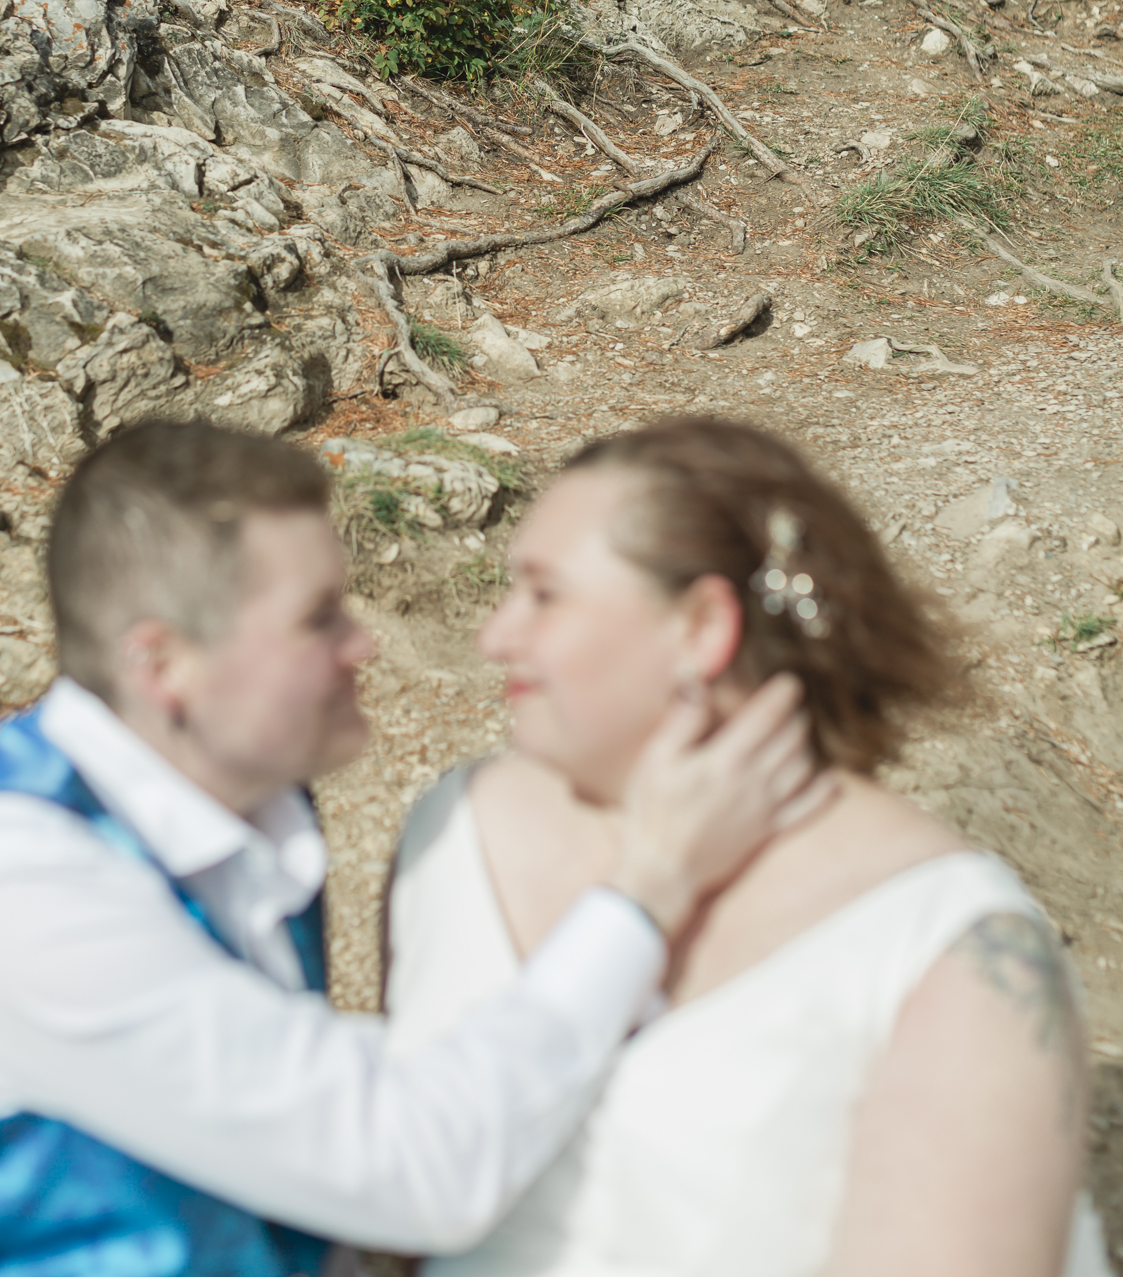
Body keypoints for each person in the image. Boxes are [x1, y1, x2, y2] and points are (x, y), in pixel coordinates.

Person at [0, 420, 826, 1277]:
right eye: (320, 616)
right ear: (163, 665)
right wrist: (647, 888)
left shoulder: (254, 817)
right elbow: (410, 1170)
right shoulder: (14, 896)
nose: (362, 643)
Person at [386, 416, 1111, 1277]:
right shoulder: (456, 830)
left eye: (545, 595)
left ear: (700, 627)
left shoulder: (953, 946)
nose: (495, 637)